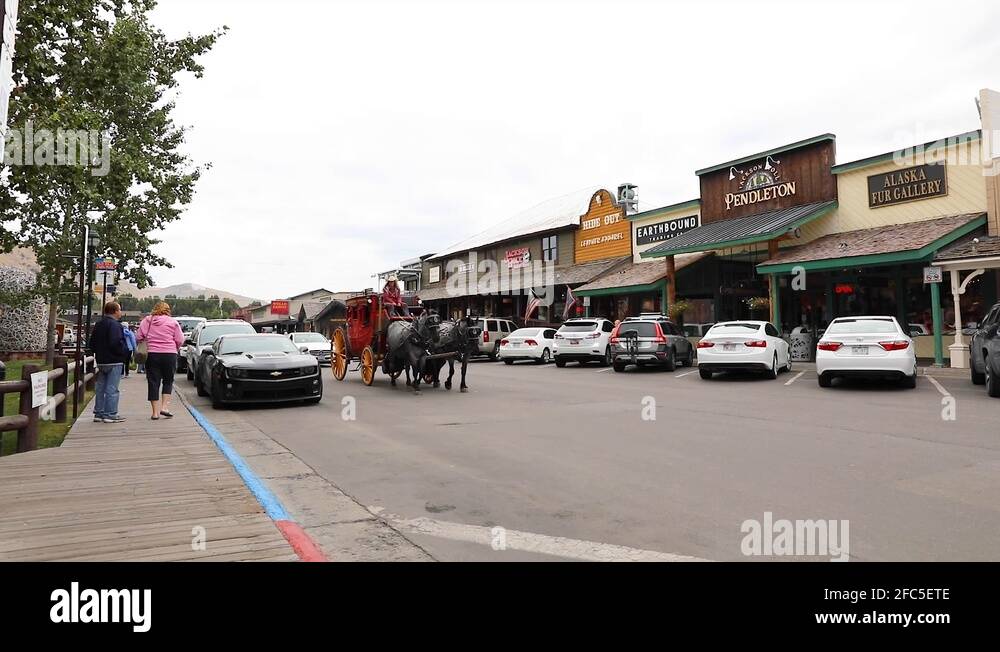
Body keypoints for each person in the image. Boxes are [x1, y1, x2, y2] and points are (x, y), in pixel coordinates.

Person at [136, 301, 184, 421]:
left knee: (153, 381)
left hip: (152, 354)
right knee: (168, 380)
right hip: (169, 354)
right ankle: (165, 407)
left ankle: (155, 413)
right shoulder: (173, 322)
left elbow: (138, 337)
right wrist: (174, 346)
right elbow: (180, 339)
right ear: (168, 310)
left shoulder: (147, 320)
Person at [89, 301, 129, 424]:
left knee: (100, 388)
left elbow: (92, 343)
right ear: (115, 311)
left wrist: (98, 353)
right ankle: (110, 414)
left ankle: (99, 413)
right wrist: (123, 352)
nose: (121, 312)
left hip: (101, 361)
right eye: (120, 310)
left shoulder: (98, 324)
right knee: (112, 388)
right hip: (114, 361)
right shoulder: (116, 326)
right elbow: (115, 342)